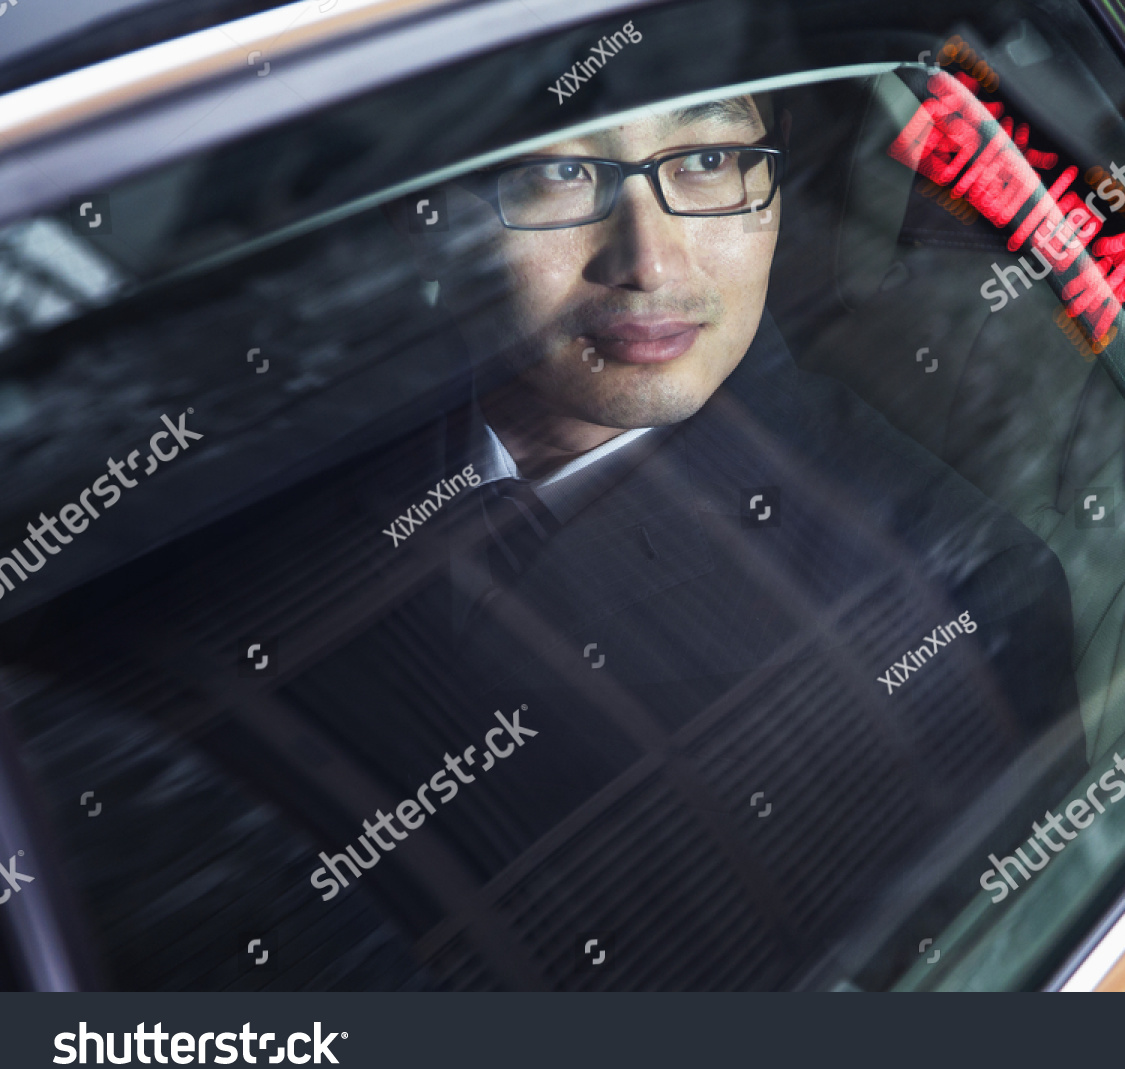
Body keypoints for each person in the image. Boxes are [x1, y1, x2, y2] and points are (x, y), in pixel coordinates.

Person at [324, 91, 1086, 988]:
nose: (650, 262)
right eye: (557, 173)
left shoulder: (956, 592)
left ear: (774, 187)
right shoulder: (285, 471)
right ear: (420, 224)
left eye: (708, 162)